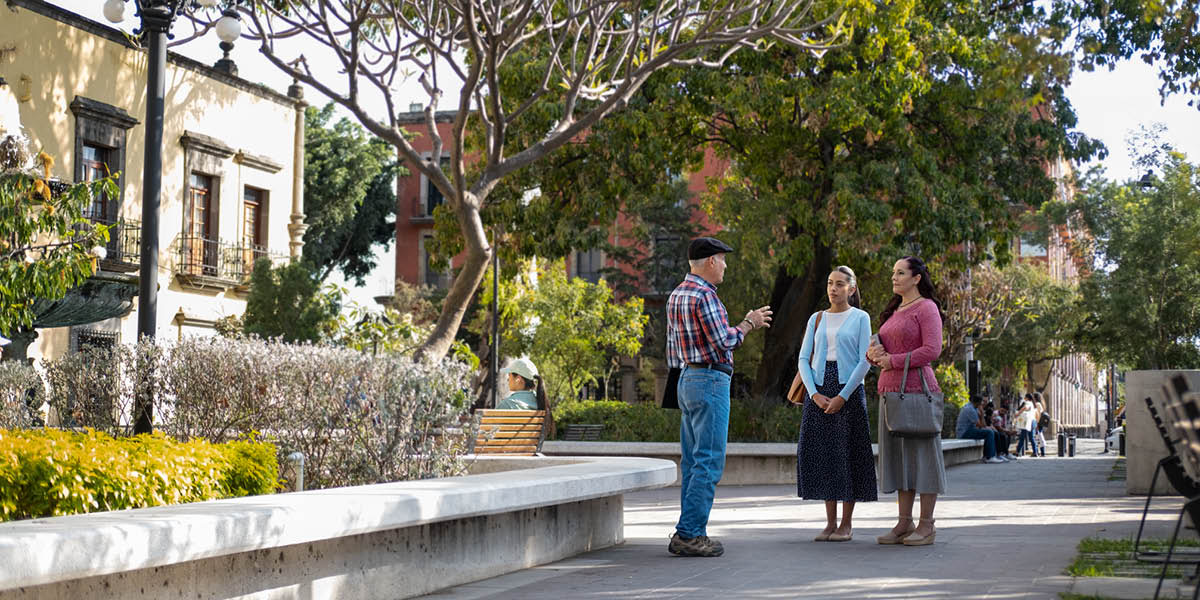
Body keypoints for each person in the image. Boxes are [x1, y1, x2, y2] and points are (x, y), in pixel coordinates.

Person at [665, 237, 772, 558]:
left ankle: (690, 529)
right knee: (709, 462)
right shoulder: (705, 296)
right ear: (711, 261)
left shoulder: (677, 294)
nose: (725, 266)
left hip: (687, 377)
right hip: (710, 379)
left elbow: (674, 346)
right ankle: (689, 534)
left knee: (693, 461)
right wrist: (749, 323)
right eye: (723, 260)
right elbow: (725, 340)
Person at [866, 256, 946, 547]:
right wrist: (873, 356)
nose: (894, 277)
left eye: (900, 273)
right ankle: (904, 522)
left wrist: (893, 360)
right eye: (893, 272)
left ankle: (927, 525)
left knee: (923, 460)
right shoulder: (894, 310)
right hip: (889, 393)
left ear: (916, 278)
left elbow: (932, 350)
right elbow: (884, 351)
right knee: (899, 461)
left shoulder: (927, 308)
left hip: (916, 393)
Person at [795, 266, 877, 542]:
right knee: (824, 453)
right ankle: (829, 522)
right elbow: (804, 358)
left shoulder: (860, 318)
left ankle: (846, 523)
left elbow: (866, 359)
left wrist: (843, 396)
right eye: (830, 283)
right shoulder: (816, 318)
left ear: (851, 289)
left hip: (849, 389)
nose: (833, 288)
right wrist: (814, 393)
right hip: (817, 389)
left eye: (840, 284)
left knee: (847, 452)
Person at [956, 395, 1007, 463]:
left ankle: (990, 456)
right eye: (981, 403)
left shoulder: (972, 407)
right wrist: (982, 414)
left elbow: (982, 425)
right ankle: (989, 457)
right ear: (978, 403)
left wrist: (981, 417)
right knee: (989, 432)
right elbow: (981, 425)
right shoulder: (970, 410)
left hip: (969, 430)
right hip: (964, 433)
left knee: (990, 432)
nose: (982, 405)